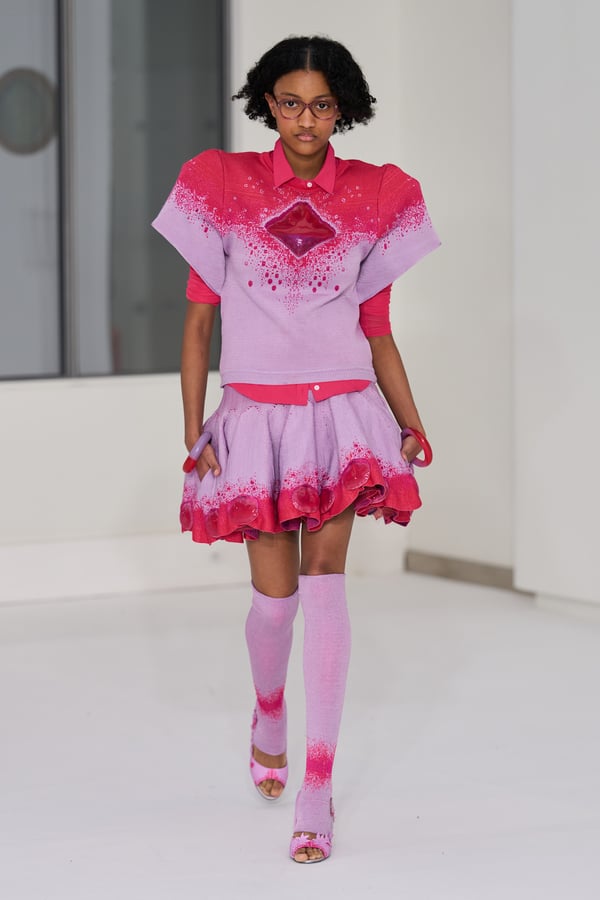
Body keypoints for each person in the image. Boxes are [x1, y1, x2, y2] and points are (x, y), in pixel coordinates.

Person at [152, 35, 440, 864]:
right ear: (267, 104)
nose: (305, 119)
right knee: (274, 605)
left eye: (321, 104)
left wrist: (410, 420)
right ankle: (270, 707)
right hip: (256, 422)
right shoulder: (220, 184)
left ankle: (317, 786)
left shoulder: (379, 195)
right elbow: (199, 323)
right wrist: (195, 427)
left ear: (342, 108)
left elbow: (377, 329)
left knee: (325, 589)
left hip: (342, 419)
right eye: (289, 103)